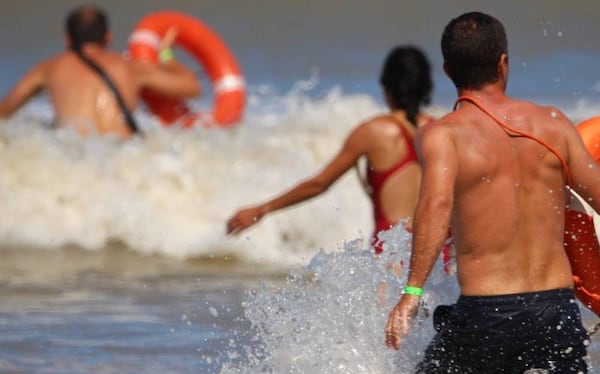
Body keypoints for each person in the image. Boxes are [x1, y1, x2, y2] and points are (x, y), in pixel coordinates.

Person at [384, 12, 600, 374]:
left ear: (447, 71)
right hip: (557, 312)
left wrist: (411, 292)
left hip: (487, 315)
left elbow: (436, 204)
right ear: (503, 63)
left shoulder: (443, 134)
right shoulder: (553, 122)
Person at [227, 45, 435, 255]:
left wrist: (262, 209)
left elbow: (319, 184)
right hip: (436, 251)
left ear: (386, 86)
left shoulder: (372, 132)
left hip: (393, 252)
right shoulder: (440, 130)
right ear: (426, 87)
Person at [0, 5, 201, 137]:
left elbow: (4, 112)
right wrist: (166, 55)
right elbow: (192, 87)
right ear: (108, 37)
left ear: (68, 40)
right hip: (122, 156)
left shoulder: (47, 68)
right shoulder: (131, 67)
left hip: (74, 157)